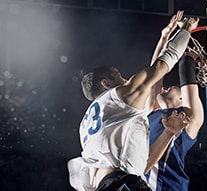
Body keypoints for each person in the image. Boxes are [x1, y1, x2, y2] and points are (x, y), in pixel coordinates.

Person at [67, 11, 199, 191]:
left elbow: (141, 167)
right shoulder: (119, 96)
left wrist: (168, 133)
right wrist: (186, 31)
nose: (125, 79)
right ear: (106, 84)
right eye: (119, 76)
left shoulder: (90, 123)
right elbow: (161, 66)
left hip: (119, 182)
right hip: (119, 182)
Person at [144, 14, 204, 191]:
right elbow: (155, 72)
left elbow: (185, 64)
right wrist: (164, 38)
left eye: (172, 87)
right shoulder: (152, 111)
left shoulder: (189, 119)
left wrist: (188, 34)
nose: (165, 87)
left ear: (182, 99)